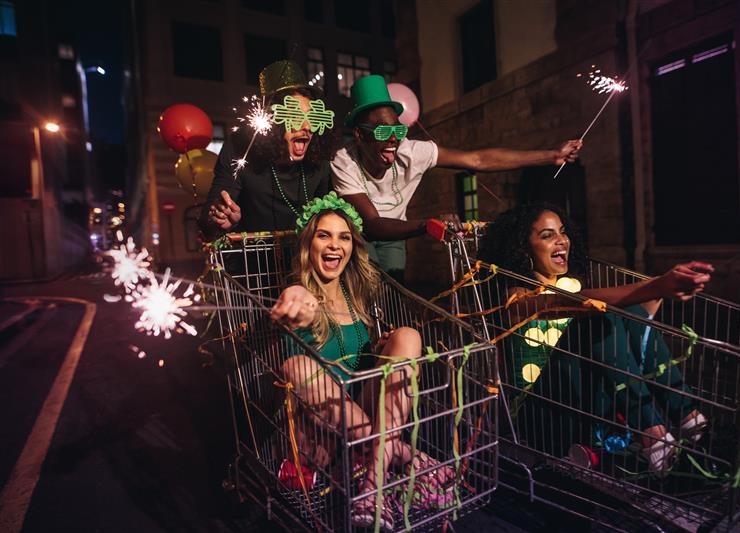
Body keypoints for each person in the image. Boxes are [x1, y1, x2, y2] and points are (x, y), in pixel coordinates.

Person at [479, 203, 712, 473]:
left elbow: (640, 322)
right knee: (596, 315)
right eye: (547, 235)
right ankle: (653, 434)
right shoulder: (516, 298)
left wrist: (661, 287)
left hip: (585, 401)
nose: (561, 240)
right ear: (522, 249)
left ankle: (687, 416)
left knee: (627, 311)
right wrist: (654, 286)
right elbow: (561, 304)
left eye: (562, 232)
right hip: (542, 415)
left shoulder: (573, 285)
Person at [270, 192, 453, 529]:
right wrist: (295, 298)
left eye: (343, 237)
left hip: (361, 422)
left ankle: (372, 486)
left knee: (408, 336)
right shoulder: (300, 295)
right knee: (296, 367)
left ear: (353, 246)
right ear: (308, 244)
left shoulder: (358, 299)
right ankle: (407, 457)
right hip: (319, 437)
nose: (334, 245)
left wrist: (379, 350)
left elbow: (369, 369)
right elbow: (294, 299)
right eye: (324, 235)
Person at [331, 74, 583, 281]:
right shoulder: (344, 162)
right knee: (361, 287)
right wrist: (427, 225)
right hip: (356, 233)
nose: (394, 138)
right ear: (360, 135)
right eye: (384, 130)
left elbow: (477, 160)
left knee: (392, 292)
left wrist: (551, 156)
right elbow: (373, 224)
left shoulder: (410, 151)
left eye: (398, 129)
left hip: (396, 235)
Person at [200, 60, 337, 237]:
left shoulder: (319, 159)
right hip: (254, 259)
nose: (307, 126)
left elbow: (329, 212)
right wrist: (220, 222)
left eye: (314, 116)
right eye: (293, 115)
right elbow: (207, 222)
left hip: (303, 258)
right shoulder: (240, 149)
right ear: (271, 119)